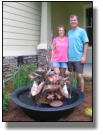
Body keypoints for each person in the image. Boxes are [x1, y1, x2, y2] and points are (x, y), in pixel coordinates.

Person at [68, 15, 89, 92]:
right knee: (72, 75)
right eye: (71, 20)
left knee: (79, 75)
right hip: (70, 58)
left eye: (74, 20)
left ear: (77, 21)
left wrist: (84, 56)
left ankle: (82, 92)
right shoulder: (69, 32)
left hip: (79, 57)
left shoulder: (82, 31)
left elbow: (86, 43)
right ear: (70, 22)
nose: (73, 21)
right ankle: (74, 90)